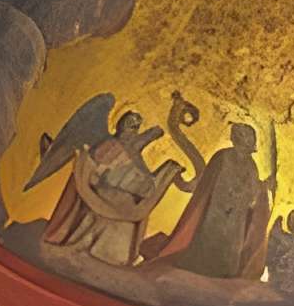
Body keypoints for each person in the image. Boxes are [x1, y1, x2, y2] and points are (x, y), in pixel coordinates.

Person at [150, 96, 275, 279]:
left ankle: (225, 273)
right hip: (217, 208)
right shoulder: (223, 156)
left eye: (249, 138)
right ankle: (201, 268)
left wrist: (264, 186)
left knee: (231, 244)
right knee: (210, 238)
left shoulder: (251, 165)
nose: (247, 142)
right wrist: (227, 200)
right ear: (237, 139)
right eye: (244, 137)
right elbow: (209, 183)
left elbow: (253, 189)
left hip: (237, 214)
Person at [42, 108, 184, 267]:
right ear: (120, 128)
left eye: (135, 127)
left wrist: (157, 133)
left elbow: (141, 145)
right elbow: (92, 171)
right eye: (130, 126)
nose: (132, 131)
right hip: (103, 200)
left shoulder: (131, 151)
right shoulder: (109, 146)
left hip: (124, 207)